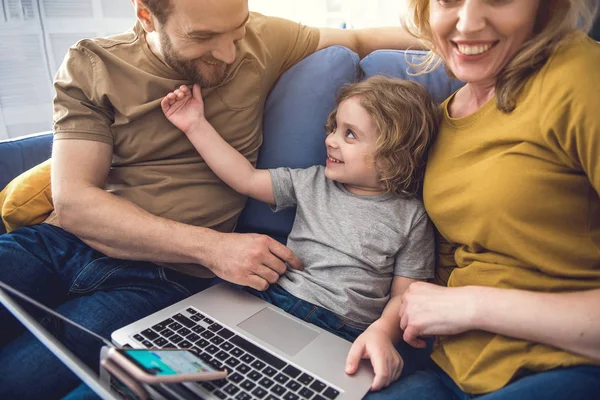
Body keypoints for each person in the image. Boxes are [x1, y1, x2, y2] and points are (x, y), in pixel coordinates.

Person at [0, 0, 422, 398]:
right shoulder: (92, 64)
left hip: (161, 280)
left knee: (21, 379)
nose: (226, 52)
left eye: (236, 31)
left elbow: (363, 39)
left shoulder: (262, 38)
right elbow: (74, 202)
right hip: (58, 244)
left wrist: (468, 40)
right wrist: (214, 246)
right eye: (203, 37)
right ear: (147, 15)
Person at [366, 0, 600, 399]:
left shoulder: (580, 77)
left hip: (562, 366)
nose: (468, 22)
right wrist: (384, 329)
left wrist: (473, 305)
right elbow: (439, 269)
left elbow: (457, 300)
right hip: (447, 370)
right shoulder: (442, 119)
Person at [161, 75, 439, 391]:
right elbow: (246, 179)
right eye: (334, 127)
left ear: (393, 158)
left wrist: (380, 332)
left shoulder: (413, 216)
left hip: (343, 329)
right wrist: (195, 125)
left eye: (349, 135)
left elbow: (404, 295)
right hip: (273, 296)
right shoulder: (313, 182)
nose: (330, 140)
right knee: (202, 349)